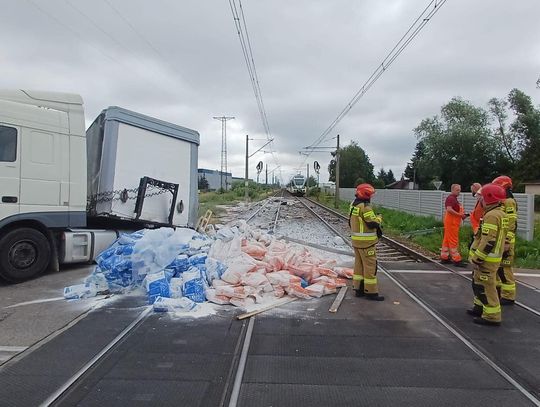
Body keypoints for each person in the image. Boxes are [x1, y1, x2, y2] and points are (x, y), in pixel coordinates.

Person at [467, 183, 507, 326]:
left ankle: (491, 316)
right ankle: (479, 307)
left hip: (486, 260)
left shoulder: (491, 216)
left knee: (485, 286)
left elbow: (488, 240)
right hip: (491, 258)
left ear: (489, 198)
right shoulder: (499, 213)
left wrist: (477, 257)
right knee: (479, 283)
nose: (480, 201)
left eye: (482, 198)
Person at [349, 183, 384, 301]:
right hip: (366, 244)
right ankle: (371, 292)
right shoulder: (365, 207)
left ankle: (358, 289)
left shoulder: (354, 205)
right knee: (370, 267)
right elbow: (372, 223)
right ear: (367, 195)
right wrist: (379, 218)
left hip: (356, 242)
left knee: (359, 266)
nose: (371, 197)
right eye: (370, 195)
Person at [492, 175, 518, 305]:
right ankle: (501, 292)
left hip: (507, 242)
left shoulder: (509, 202)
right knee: (498, 268)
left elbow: (512, 223)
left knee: (505, 269)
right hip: (501, 240)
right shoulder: (503, 201)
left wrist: (507, 241)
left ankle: (508, 296)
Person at [440, 184, 467, 266]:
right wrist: (460, 215)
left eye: (459, 190)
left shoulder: (453, 198)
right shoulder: (451, 198)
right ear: (452, 190)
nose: (459, 192)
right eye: (457, 190)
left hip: (452, 222)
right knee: (453, 240)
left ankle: (444, 257)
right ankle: (457, 260)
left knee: (447, 240)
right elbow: (449, 209)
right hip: (452, 223)